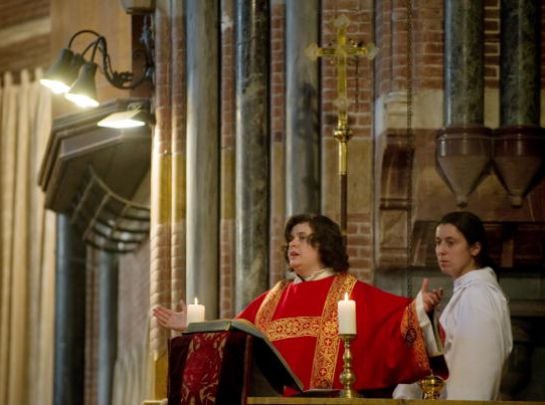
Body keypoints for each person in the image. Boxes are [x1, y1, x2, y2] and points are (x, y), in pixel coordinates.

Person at [153, 213, 444, 396]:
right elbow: (235, 338)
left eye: (303, 239)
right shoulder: (272, 298)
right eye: (291, 239)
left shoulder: (348, 292)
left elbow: (394, 320)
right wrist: (194, 327)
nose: (292, 244)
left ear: (324, 246)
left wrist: (420, 309)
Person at [394, 211, 513, 400]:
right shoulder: (468, 293)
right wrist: (427, 318)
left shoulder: (478, 297)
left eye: (451, 242)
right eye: (438, 242)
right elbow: (441, 361)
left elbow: (474, 379)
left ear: (475, 248)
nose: (441, 250)